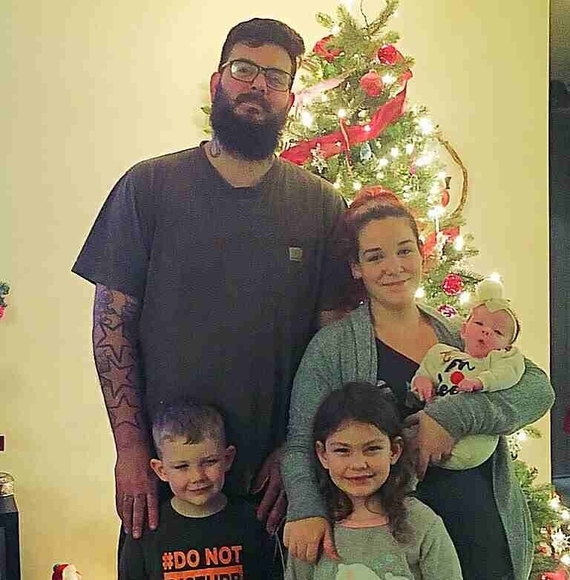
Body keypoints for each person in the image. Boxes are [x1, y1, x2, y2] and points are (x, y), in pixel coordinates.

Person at [72, 15, 349, 550]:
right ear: (218, 81)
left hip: (275, 489)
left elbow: (332, 346)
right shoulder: (149, 187)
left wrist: (298, 453)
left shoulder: (320, 205)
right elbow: (112, 326)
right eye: (244, 69)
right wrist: (131, 450)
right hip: (169, 480)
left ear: (290, 99)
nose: (258, 85)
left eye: (276, 77)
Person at [281, 188, 554, 580]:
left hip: (480, 531)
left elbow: (538, 390)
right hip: (396, 549)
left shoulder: (461, 336)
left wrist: (451, 417)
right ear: (356, 267)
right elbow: (300, 441)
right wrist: (306, 509)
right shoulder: (334, 348)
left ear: (422, 255)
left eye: (404, 250)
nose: (393, 267)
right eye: (375, 256)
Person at [285, 381, 463, 580]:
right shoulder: (310, 531)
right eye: (342, 450)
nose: (359, 464)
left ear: (394, 450)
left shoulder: (421, 523)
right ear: (323, 455)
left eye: (372, 449)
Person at [119, 398, 273, 580]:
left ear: (228, 459)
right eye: (182, 466)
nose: (198, 477)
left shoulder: (254, 522)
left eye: (209, 462)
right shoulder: (145, 531)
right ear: (161, 470)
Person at [411, 278, 525, 470]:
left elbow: (508, 373)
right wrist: (422, 382)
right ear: (463, 330)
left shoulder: (496, 362)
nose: (486, 331)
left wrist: (481, 382)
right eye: (479, 323)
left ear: (507, 347)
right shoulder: (442, 353)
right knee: (408, 436)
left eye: (498, 332)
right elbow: (425, 372)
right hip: (428, 428)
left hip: (474, 441)